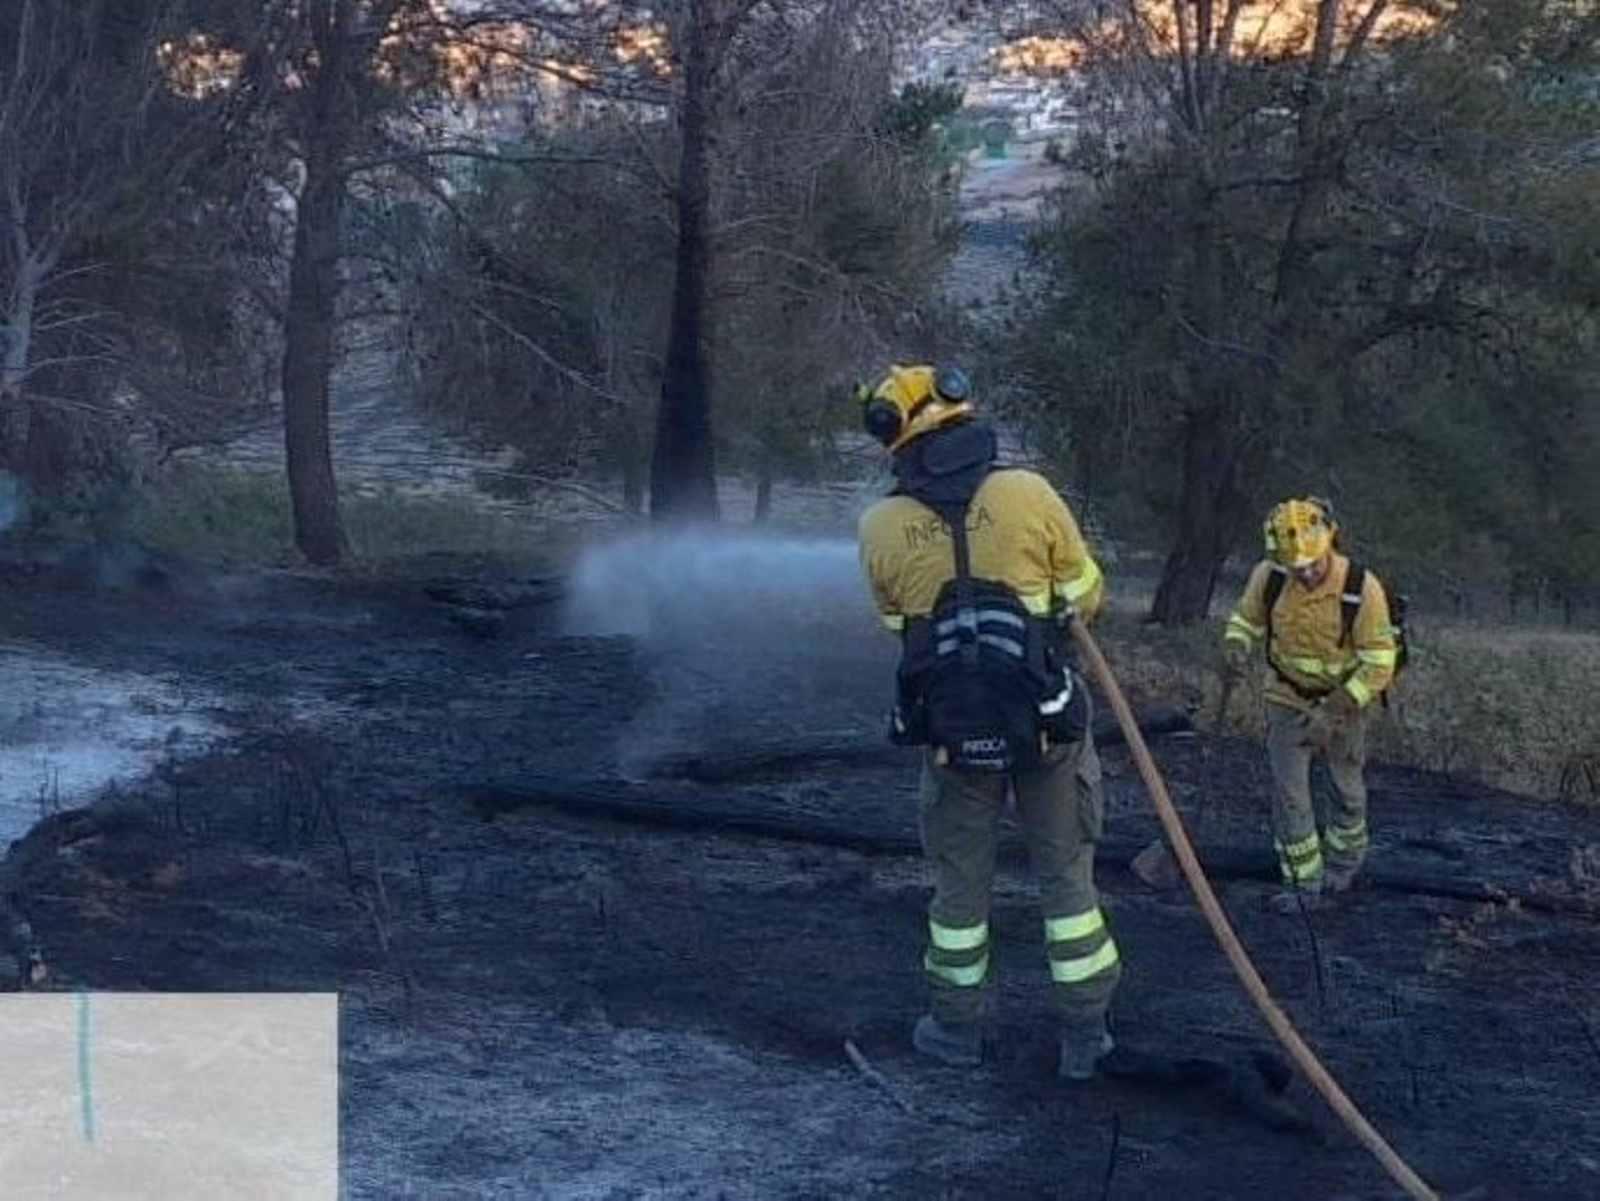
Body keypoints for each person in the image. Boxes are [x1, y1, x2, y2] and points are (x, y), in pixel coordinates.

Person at [854, 363, 1120, 1081]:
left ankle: (954, 1028)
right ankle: (1085, 1037)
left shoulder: (880, 525)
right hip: (1048, 722)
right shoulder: (1028, 493)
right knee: (1066, 874)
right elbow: (1086, 593)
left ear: (895, 438)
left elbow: (896, 625)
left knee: (959, 883)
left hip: (952, 738)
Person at [1220, 497, 1398, 912]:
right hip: (1286, 697)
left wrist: (1333, 710)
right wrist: (1235, 644)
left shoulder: (1361, 588)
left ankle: (1345, 865)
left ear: (1329, 543)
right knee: (1291, 796)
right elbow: (1246, 619)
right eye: (1296, 566)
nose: (1305, 572)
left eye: (1313, 563)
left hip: (1345, 701)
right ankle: (1303, 882)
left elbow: (1379, 661)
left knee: (1345, 789)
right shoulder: (1269, 577)